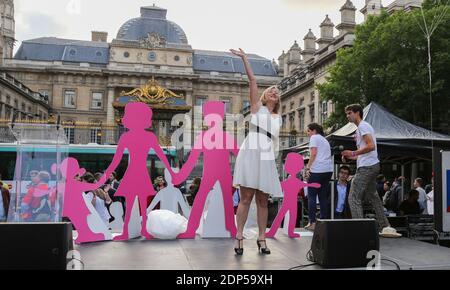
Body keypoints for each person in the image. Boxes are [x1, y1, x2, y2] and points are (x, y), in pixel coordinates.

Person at [230, 48, 283, 255]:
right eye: (271, 89)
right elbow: (252, 81)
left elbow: (275, 143)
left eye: (277, 92)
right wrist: (245, 59)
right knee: (245, 198)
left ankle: (262, 238)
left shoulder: (279, 117)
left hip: (266, 157)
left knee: (263, 200)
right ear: (264, 95)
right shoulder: (256, 108)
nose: (274, 92)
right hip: (251, 153)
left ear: (278, 100)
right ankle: (239, 236)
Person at [341, 104, 399, 237]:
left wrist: (353, 153)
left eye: (349, 113)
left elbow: (371, 146)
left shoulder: (363, 126)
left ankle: (360, 229)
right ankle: (386, 226)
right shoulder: (361, 128)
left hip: (367, 167)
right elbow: (365, 151)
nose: (347, 116)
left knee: (353, 196)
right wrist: (350, 157)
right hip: (370, 165)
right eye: (347, 113)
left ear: (357, 113)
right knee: (373, 195)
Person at [304, 123, 333, 230]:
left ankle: (312, 222)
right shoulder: (325, 140)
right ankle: (323, 221)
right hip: (328, 170)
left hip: (317, 170)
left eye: (308, 131)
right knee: (322, 197)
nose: (308, 133)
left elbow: (314, 153)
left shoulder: (314, 138)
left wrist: (307, 167)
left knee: (311, 196)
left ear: (314, 130)